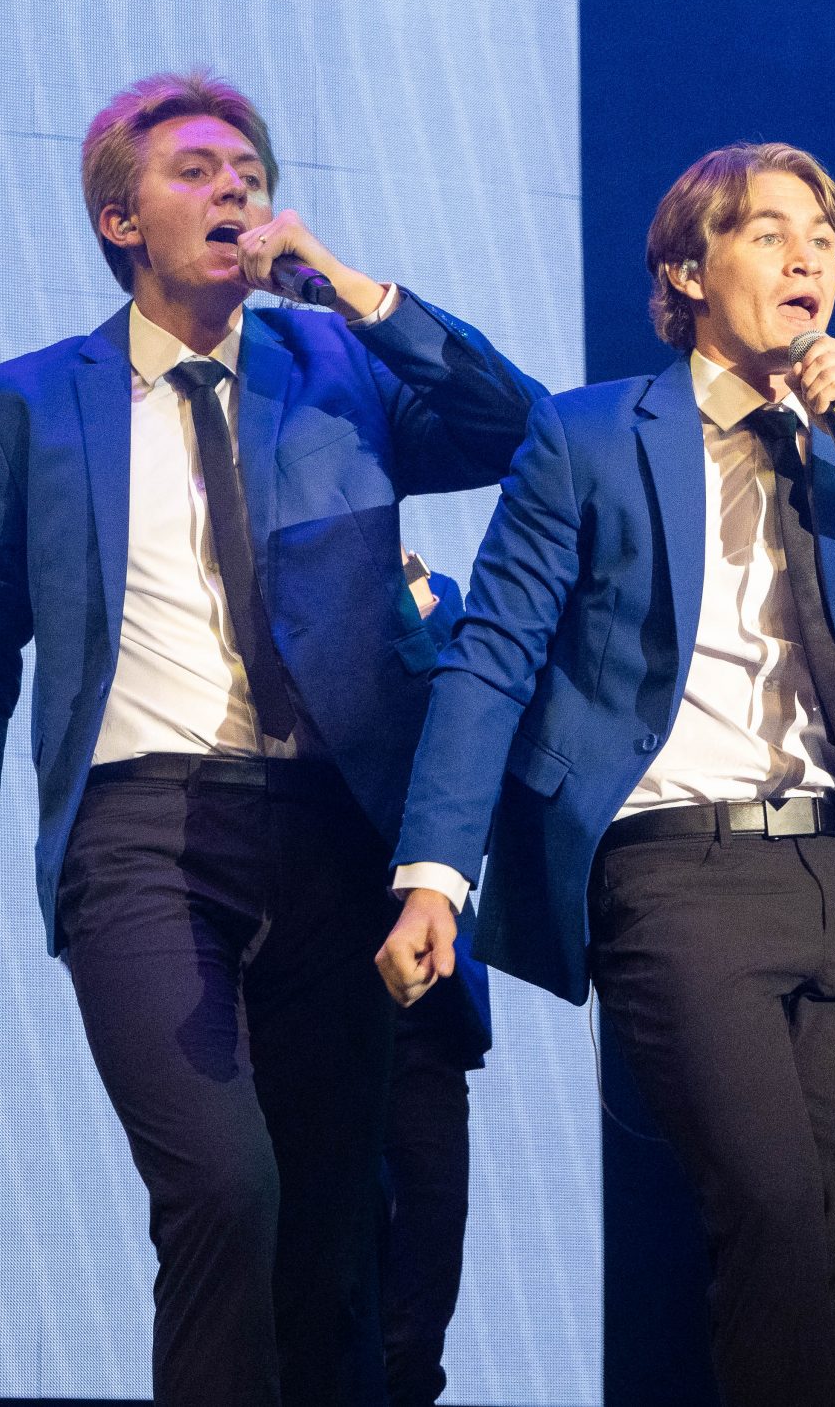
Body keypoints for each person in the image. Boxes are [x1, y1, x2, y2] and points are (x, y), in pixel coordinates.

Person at [0, 69, 544, 1406]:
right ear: (118, 217)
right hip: (140, 835)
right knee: (221, 1183)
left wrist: (354, 288)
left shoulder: (338, 372)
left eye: (248, 169)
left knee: (326, 1232)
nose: (235, 187)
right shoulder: (28, 403)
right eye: (195, 168)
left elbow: (516, 426)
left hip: (332, 831)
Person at [373, 143, 835, 1407]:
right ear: (688, 266)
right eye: (771, 233)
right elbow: (493, 660)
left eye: (825, 241)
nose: (807, 259)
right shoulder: (589, 433)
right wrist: (434, 879)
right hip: (672, 870)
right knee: (776, 1221)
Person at [379, 557, 490, 1407]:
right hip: (300, 979)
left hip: (423, 1002)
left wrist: (404, 602)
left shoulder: (439, 604)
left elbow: (468, 730)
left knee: (428, 1258)